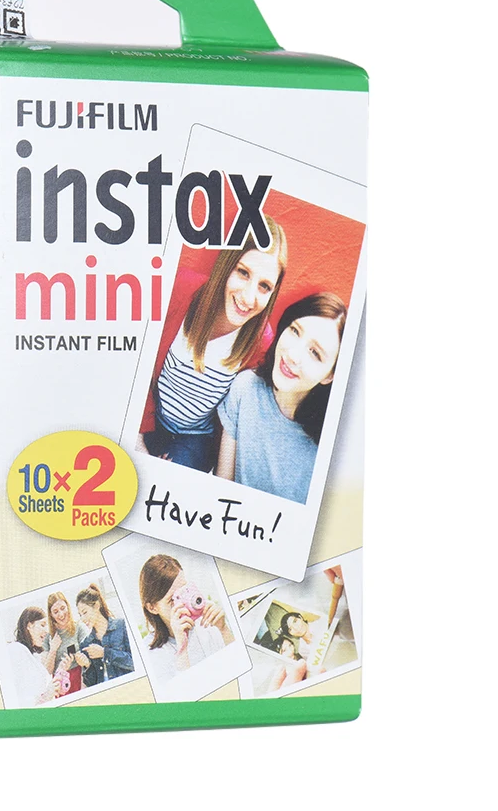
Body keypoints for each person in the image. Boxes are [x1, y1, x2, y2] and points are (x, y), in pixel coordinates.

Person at [140, 218, 288, 472]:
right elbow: (138, 358)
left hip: (195, 438)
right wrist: (139, 436)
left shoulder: (260, 341)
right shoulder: (182, 289)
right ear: (226, 266)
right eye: (243, 273)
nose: (248, 298)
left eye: (264, 286)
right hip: (151, 415)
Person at [217, 292, 347, 503]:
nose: (293, 355)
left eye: (315, 353)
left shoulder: (330, 449)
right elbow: (222, 486)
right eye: (295, 331)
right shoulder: (245, 388)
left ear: (330, 375)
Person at [138, 555, 234, 680]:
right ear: (152, 607)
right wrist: (182, 648)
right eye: (173, 599)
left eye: (184, 591)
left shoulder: (207, 622)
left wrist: (224, 630)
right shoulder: (149, 651)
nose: (184, 603)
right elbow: (183, 690)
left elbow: (237, 664)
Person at [5, 606, 71, 708]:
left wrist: (61, 670)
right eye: (42, 625)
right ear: (29, 626)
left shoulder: (34, 656)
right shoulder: (16, 650)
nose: (46, 631)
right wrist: (46, 696)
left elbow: (41, 688)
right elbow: (18, 697)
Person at [75, 583, 135, 687]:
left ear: (96, 606)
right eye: (80, 615)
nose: (82, 619)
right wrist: (87, 665)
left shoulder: (122, 626)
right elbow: (91, 684)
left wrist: (105, 653)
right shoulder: (86, 643)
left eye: (85, 612)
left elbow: (135, 663)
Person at [43, 591, 91, 683]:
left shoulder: (80, 628)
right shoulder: (48, 637)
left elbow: (92, 661)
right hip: (60, 683)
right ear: (51, 615)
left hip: (81, 679)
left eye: (63, 608)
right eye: (55, 612)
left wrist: (83, 661)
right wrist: (53, 650)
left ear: (68, 607)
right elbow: (47, 672)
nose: (61, 614)